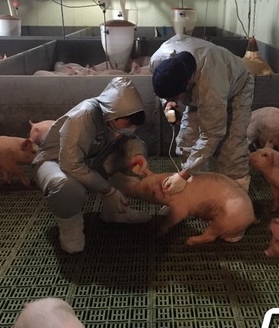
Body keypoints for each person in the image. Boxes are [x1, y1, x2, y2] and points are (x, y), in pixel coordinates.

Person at [32, 77, 152, 254]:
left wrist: (137, 154)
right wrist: (108, 190)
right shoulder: (82, 117)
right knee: (66, 187)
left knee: (131, 155)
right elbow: (70, 164)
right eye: (128, 123)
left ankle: (117, 213)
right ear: (114, 114)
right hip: (55, 162)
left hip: (89, 160)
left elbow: (130, 140)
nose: (131, 128)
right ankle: (70, 231)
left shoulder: (113, 120)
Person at [150, 34, 255, 194]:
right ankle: (198, 191)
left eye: (175, 96)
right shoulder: (158, 60)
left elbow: (211, 134)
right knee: (187, 138)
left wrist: (183, 175)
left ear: (187, 84)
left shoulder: (209, 86)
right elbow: (162, 88)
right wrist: (168, 103)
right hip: (202, 82)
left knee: (231, 145)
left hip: (237, 85)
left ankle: (236, 194)